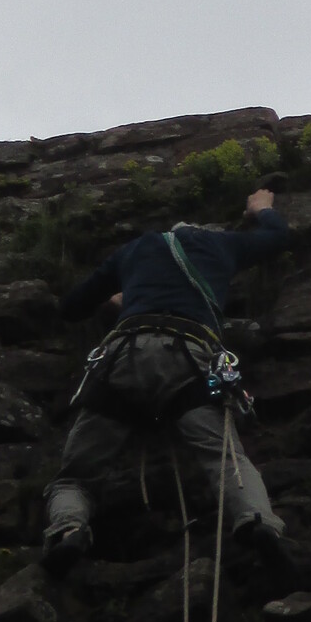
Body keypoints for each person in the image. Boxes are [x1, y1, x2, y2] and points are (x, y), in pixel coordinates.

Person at [40, 178, 293, 578]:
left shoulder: (135, 250)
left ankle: (68, 529)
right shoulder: (222, 245)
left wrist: (120, 300)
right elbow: (277, 237)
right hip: (191, 358)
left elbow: (72, 307)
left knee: (76, 476)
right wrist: (261, 208)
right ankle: (258, 521)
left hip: (124, 356)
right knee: (225, 457)